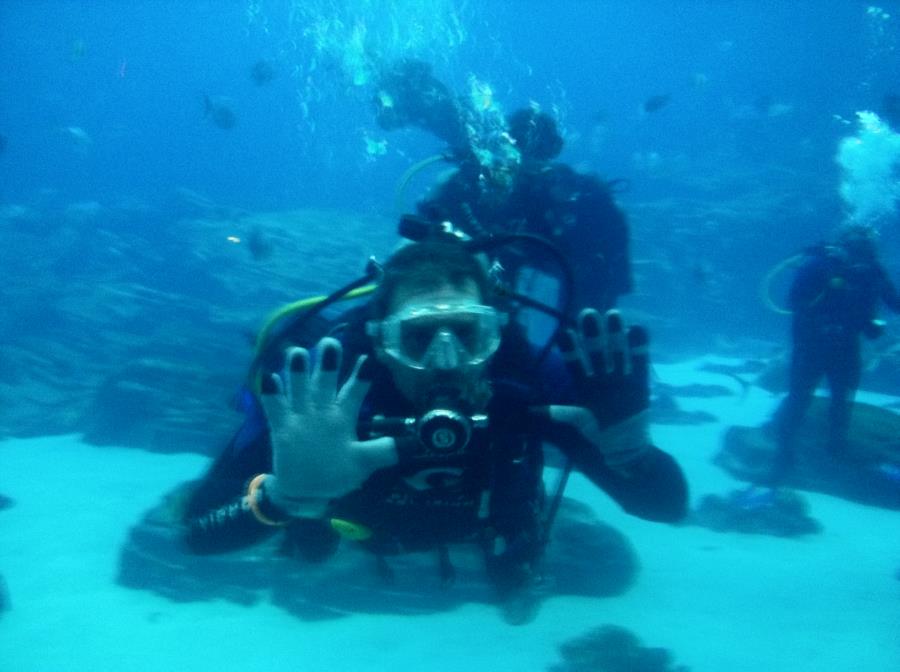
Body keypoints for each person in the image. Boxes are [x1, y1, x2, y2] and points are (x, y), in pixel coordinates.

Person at [182, 232, 687, 624]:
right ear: (381, 342)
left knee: (514, 561)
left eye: (468, 334)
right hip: (356, 529)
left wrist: (631, 453)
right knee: (309, 543)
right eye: (418, 337)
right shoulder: (325, 385)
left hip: (492, 530)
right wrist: (282, 497)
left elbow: (665, 505)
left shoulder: (527, 377)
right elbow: (196, 529)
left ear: (494, 334)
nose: (446, 361)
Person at [372, 60, 633, 314]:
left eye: (535, 163)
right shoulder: (463, 189)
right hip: (490, 269)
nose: (521, 173)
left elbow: (597, 273)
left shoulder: (578, 201)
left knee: (583, 315)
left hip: (548, 259)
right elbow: (418, 250)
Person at [768, 223, 900, 484]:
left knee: (837, 401)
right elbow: (795, 302)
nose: (862, 256)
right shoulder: (823, 264)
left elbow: (895, 304)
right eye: (859, 249)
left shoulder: (872, 271)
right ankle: (785, 457)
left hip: (839, 348)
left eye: (866, 250)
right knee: (803, 400)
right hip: (815, 346)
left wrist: (867, 322)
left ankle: (832, 451)